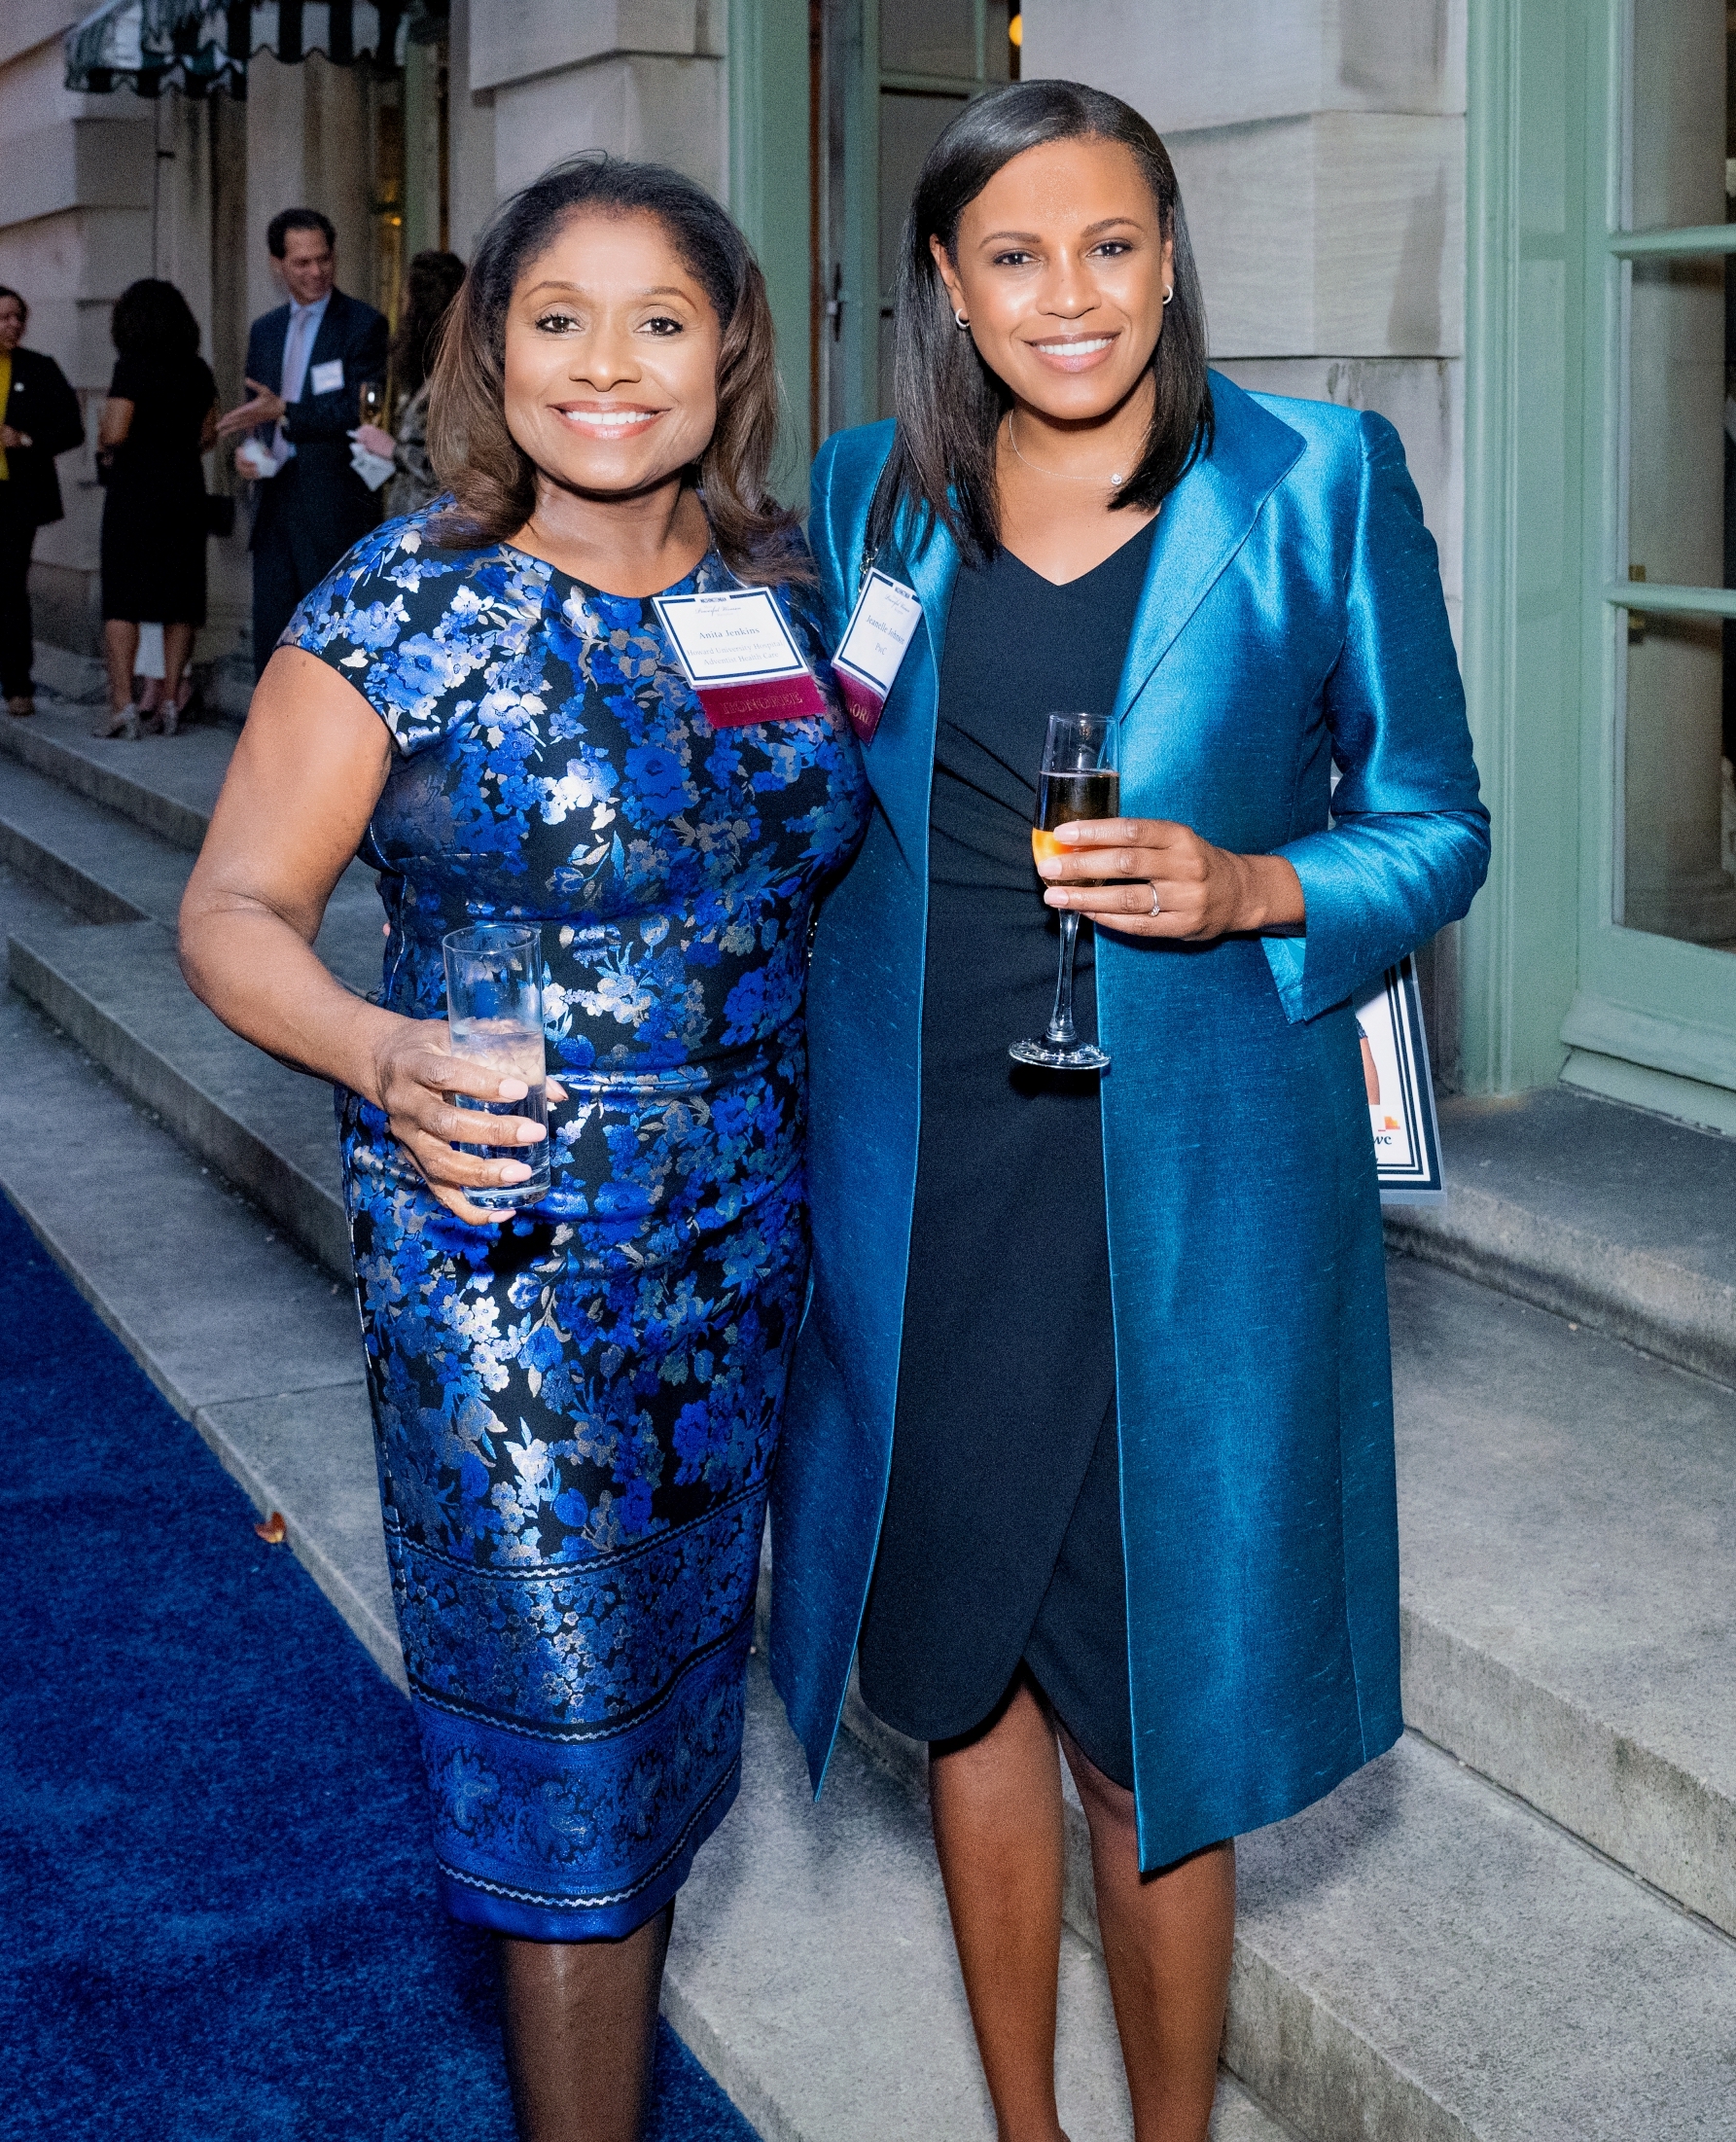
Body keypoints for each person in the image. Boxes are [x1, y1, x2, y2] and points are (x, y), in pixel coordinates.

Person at [773, 82, 1488, 2142]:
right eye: (1013, 255)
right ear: (946, 280)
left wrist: (1257, 885)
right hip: (927, 1189)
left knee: (1143, 1719)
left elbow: (1434, 824)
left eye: (1107, 245)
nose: (1066, 297)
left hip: (1183, 1195)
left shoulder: (1314, 483)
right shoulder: (866, 498)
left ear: (1170, 252)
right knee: (961, 1684)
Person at [176, 157, 870, 2141]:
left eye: (661, 319)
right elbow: (231, 909)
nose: (608, 365)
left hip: (747, 1259)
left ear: (726, 348)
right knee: (565, 1757)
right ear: (493, 345)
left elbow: (853, 867)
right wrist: (378, 1051)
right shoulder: (402, 600)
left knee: (658, 1740)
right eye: (557, 318)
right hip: (509, 1266)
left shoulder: (775, 591)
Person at [215, 207, 389, 675]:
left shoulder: (362, 324)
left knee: (333, 633)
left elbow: (360, 411)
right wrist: (248, 455)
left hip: (333, 503)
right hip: (273, 503)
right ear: (277, 265)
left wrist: (288, 412)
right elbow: (259, 411)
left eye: (324, 259)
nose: (316, 272)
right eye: (302, 263)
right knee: (275, 634)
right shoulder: (265, 330)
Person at [92, 278, 219, 739]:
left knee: (123, 598)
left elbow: (115, 432)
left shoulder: (131, 366)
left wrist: (108, 441)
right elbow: (208, 434)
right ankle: (169, 700)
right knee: (180, 597)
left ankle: (123, 704)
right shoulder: (199, 370)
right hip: (185, 487)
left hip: (135, 490)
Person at [0, 286, 86, 719]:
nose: (13, 325)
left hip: (15, 496)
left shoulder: (38, 368)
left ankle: (18, 684)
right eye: (3, 318)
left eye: (18, 317)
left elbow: (72, 429)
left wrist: (26, 439)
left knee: (10, 586)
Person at [364, 247, 466, 520]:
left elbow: (453, 468)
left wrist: (392, 450)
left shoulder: (456, 382)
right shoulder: (433, 373)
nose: (402, 305)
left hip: (434, 530)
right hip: (416, 523)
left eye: (405, 298)